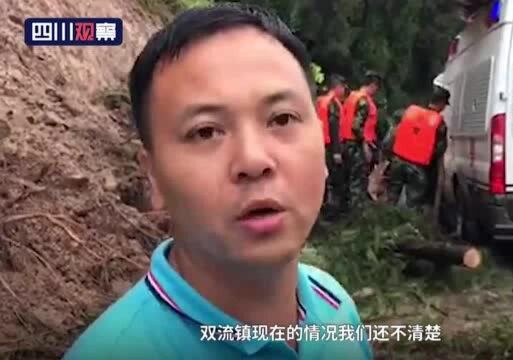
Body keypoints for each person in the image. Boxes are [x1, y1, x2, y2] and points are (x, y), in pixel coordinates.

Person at [63, 4, 372, 360]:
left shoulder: (335, 308)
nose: (254, 160)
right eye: (206, 131)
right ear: (154, 176)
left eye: (282, 118)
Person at [380, 85, 449, 210]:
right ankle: (410, 225)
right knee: (414, 202)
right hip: (418, 168)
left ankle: (386, 221)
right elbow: (439, 150)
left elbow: (393, 136)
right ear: (441, 103)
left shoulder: (410, 112)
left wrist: (387, 156)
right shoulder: (440, 123)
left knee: (391, 197)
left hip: (398, 162)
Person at [340, 71, 382, 208]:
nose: (376, 91)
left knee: (347, 178)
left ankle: (343, 210)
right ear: (372, 85)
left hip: (345, 142)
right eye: (376, 87)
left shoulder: (351, 96)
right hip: (357, 144)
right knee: (357, 181)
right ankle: (355, 214)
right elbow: (356, 126)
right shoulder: (363, 100)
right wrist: (364, 143)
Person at [316, 74, 347, 217]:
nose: (344, 91)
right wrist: (337, 151)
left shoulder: (320, 101)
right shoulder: (333, 103)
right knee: (334, 179)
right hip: (329, 146)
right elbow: (334, 127)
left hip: (318, 144)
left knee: (321, 177)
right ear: (337, 87)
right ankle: (331, 211)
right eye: (342, 87)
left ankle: (321, 208)